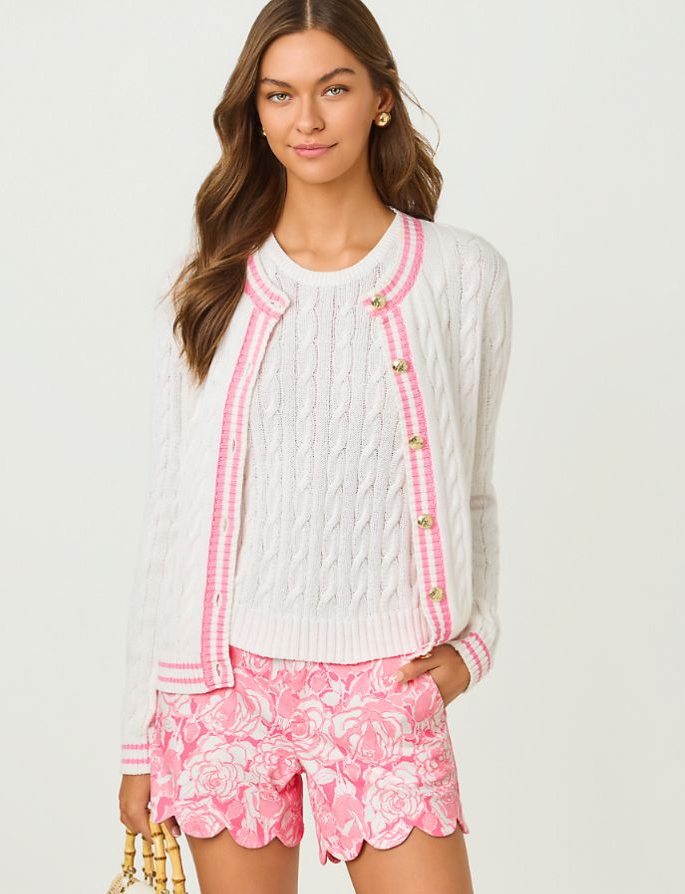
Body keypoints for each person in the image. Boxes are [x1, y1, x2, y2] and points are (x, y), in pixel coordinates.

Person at [118, 1, 513, 892]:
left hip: (386, 683)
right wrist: (139, 741)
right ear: (254, 112)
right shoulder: (211, 288)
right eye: (279, 94)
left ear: (380, 97)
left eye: (333, 89)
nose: (306, 119)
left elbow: (474, 488)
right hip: (223, 687)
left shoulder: (463, 275)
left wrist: (473, 645)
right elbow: (172, 518)